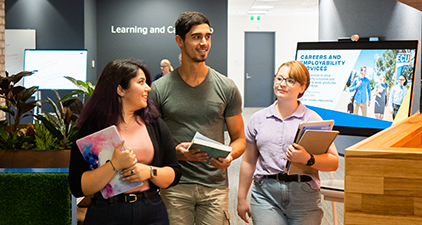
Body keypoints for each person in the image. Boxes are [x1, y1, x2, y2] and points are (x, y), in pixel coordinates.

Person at [149, 11, 246, 225]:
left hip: (215, 187)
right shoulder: (159, 89)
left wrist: (230, 155)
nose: (204, 43)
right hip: (174, 184)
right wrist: (174, 154)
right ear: (179, 41)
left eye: (207, 36)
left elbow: (239, 138)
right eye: (196, 37)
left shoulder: (226, 87)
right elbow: (149, 141)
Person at [69, 59, 182, 225]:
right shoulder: (93, 128)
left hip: (151, 209)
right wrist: (114, 164)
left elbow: (175, 173)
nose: (148, 88)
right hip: (106, 212)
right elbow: (78, 187)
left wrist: (149, 172)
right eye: (141, 82)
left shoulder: (155, 124)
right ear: (120, 89)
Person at [237, 61, 339, 225]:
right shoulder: (258, 119)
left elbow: (333, 162)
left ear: (302, 87)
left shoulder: (312, 120)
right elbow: (248, 161)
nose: (282, 84)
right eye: (279, 79)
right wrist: (241, 198)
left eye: (290, 81)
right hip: (265, 194)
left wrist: (307, 158)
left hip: (304, 195)